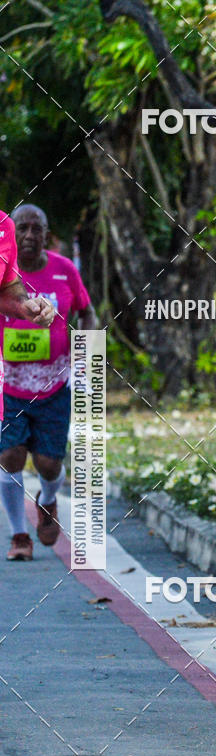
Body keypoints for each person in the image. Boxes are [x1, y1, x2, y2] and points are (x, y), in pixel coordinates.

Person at [0, 204, 96, 561]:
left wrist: (85, 355)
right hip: (9, 385)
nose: (27, 235)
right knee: (9, 456)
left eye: (35, 229)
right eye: (21, 228)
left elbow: (87, 312)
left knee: (49, 465)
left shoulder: (64, 270)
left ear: (46, 234)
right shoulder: (3, 270)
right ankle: (19, 536)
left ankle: (49, 500)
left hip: (55, 384)